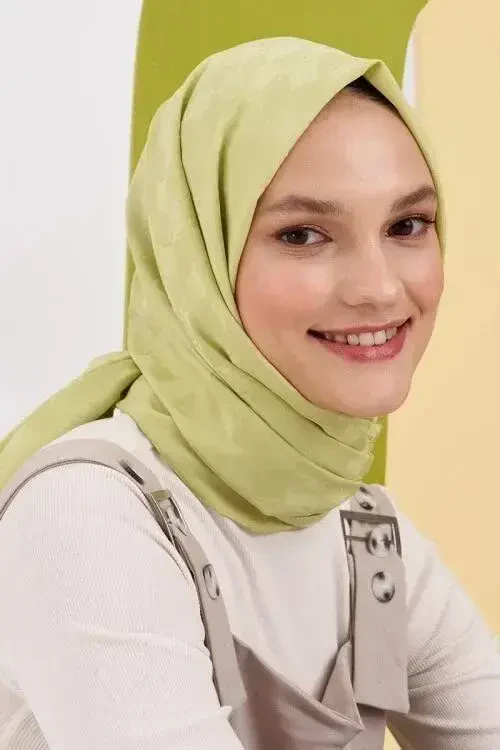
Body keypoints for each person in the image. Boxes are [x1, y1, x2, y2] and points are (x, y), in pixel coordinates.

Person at [0, 36, 499, 750]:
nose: (381, 288)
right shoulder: (86, 511)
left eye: (407, 226)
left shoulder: (363, 537)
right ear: (197, 257)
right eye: (302, 235)